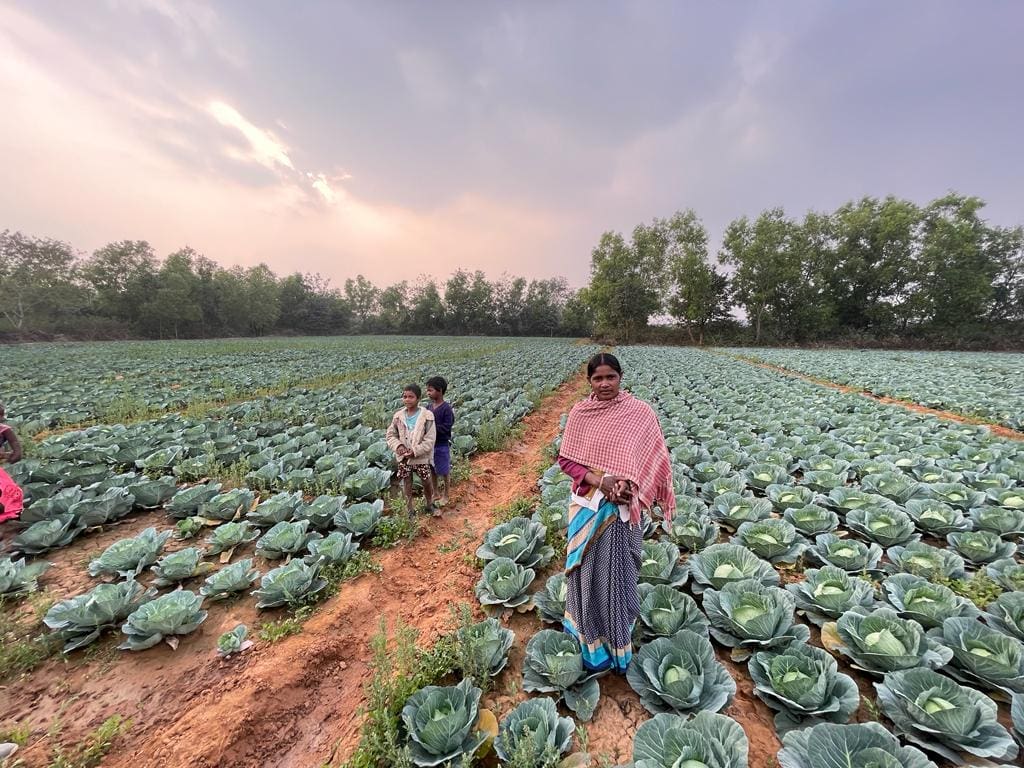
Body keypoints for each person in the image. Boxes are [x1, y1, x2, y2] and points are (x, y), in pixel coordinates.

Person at [556, 353, 674, 673]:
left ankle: (618, 641)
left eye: (611, 377)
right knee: (587, 573)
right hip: (588, 506)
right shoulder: (581, 413)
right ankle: (590, 641)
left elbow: (653, 458)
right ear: (589, 382)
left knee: (619, 575)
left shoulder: (639, 413)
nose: (605, 384)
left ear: (621, 377)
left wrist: (629, 487)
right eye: (598, 378)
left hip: (623, 509)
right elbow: (566, 461)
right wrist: (601, 480)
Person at [385, 383, 437, 516]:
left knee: (426, 481)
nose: (407, 399)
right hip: (403, 457)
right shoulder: (398, 416)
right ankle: (409, 509)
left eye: (411, 397)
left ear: (418, 398)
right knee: (407, 482)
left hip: (420, 457)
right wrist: (399, 446)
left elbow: (430, 439)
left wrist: (415, 451)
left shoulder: (427, 416)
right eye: (405, 396)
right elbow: (391, 435)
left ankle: (429, 503)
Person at [425, 376, 455, 508]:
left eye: (431, 390)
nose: (428, 393)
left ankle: (446, 495)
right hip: (430, 445)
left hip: (441, 444)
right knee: (432, 469)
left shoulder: (446, 409)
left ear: (440, 391)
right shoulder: (428, 407)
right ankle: (435, 492)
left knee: (444, 470)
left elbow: (447, 426)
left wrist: (432, 429)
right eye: (427, 390)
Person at [0, 401, 25, 524]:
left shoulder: (5, 430)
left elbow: (16, 449)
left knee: (9, 491)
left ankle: (9, 514)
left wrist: (14, 454)